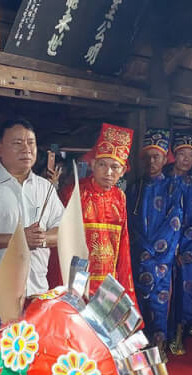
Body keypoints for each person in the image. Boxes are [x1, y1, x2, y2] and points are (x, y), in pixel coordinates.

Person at [0, 118, 64, 371]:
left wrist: (40, 238)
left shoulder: (44, 187)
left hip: (37, 296)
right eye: (17, 143)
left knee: (33, 370)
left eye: (31, 143)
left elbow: (61, 231)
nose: (26, 149)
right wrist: (20, 240)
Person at [61, 123, 137, 303]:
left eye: (115, 167)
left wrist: (124, 284)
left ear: (123, 171)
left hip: (108, 282)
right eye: (102, 164)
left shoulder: (120, 197)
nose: (108, 172)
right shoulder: (74, 193)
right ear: (93, 164)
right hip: (79, 281)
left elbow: (123, 244)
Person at [126, 128, 183, 360]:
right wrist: (141, 248)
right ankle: (141, 343)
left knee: (160, 299)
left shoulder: (173, 186)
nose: (152, 161)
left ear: (165, 158)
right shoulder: (134, 188)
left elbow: (175, 223)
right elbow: (128, 219)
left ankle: (160, 342)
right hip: (139, 255)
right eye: (148, 156)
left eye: (156, 156)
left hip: (161, 258)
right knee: (139, 300)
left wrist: (154, 251)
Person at [165, 133, 192, 356]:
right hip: (162, 248)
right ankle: (165, 334)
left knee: (188, 288)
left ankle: (182, 331)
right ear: (174, 155)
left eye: (191, 156)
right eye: (182, 154)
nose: (186, 159)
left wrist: (185, 248)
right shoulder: (161, 181)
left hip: (187, 246)